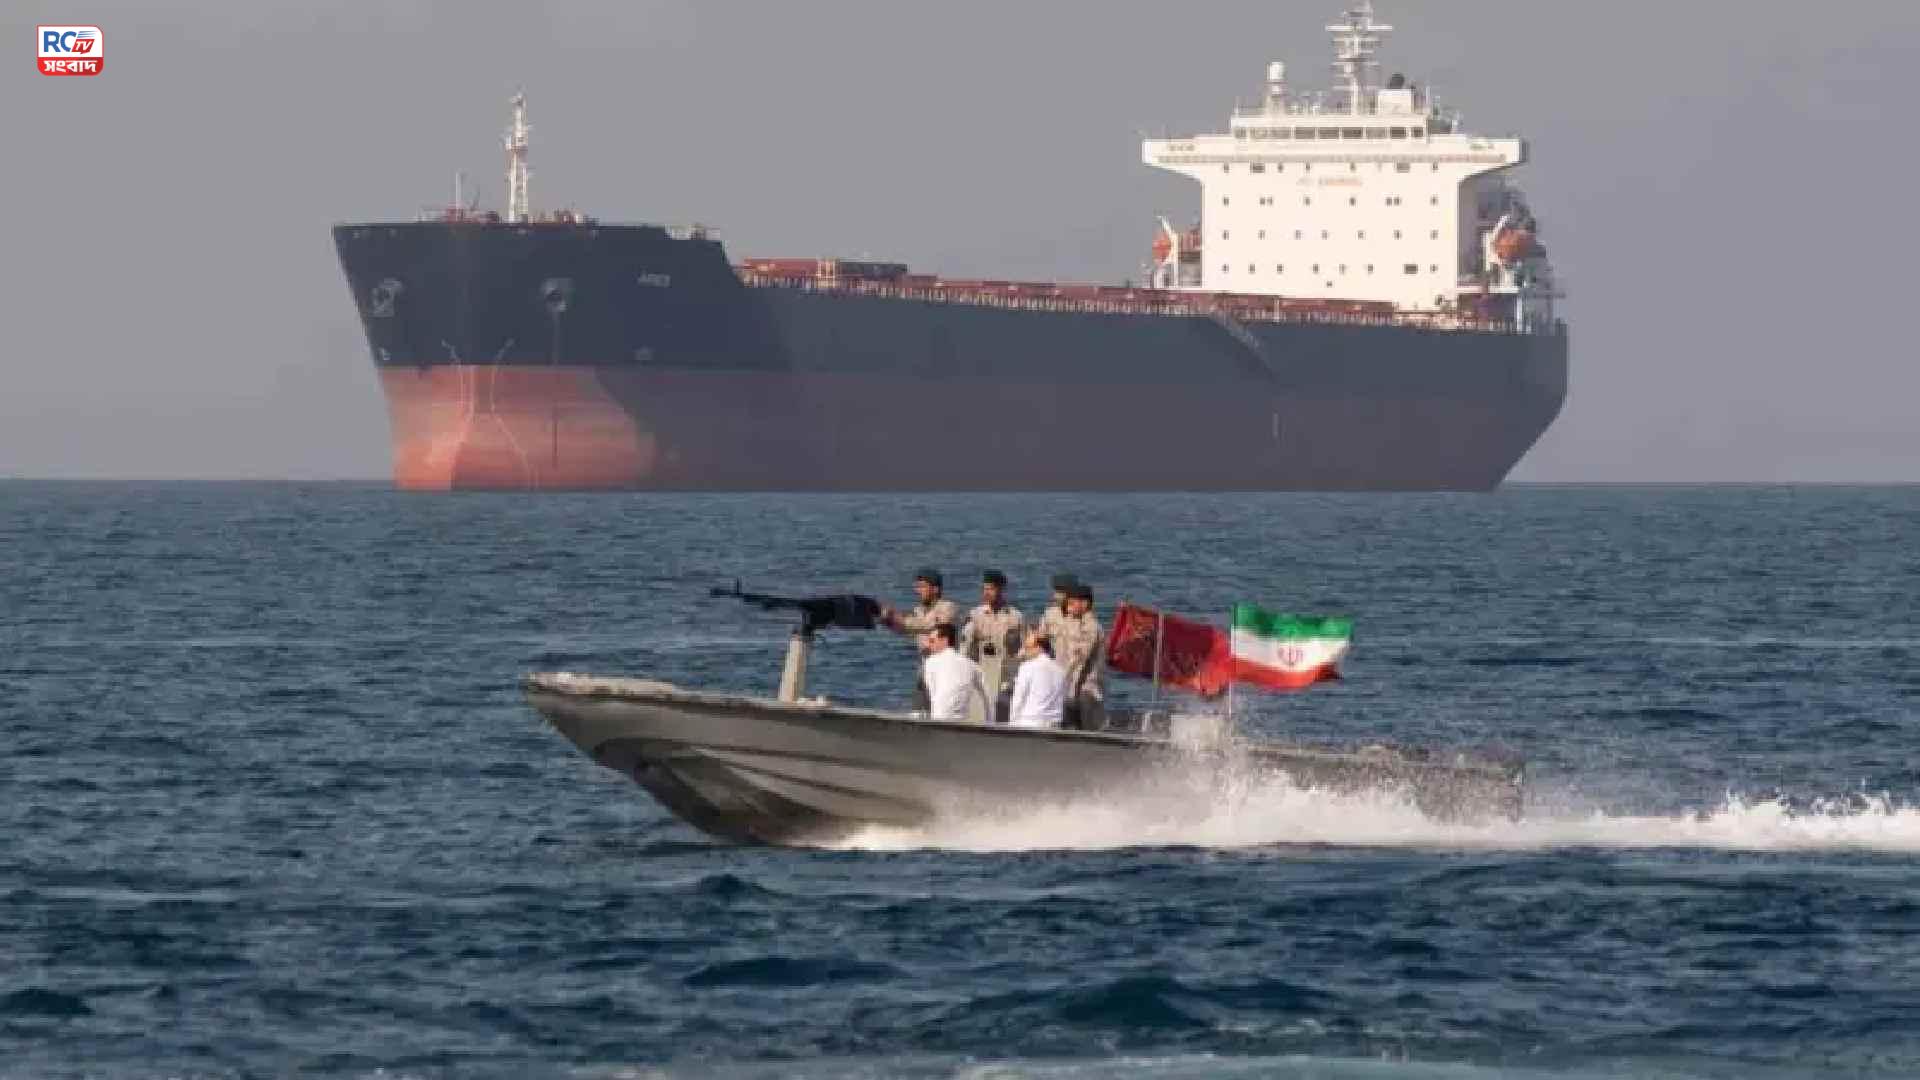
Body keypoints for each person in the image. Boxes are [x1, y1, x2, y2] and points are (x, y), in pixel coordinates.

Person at [882, 568, 959, 712]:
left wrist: (900, 619)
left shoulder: (948, 608)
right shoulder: (918, 611)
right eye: (917, 587)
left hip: (944, 672)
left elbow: (930, 626)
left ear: (935, 589)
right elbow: (906, 629)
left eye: (922, 587)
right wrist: (887, 621)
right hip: (925, 671)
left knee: (942, 712)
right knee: (917, 713)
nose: (918, 591)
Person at [960, 570, 1025, 723]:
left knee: (1004, 717)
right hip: (983, 671)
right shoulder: (976, 615)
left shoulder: (1015, 617)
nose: (987, 593)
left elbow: (1024, 647)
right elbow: (965, 647)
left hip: (1006, 675)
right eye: (985, 589)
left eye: (991, 589)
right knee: (980, 715)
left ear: (1001, 589)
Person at [1055, 582, 1106, 731]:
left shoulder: (1090, 627)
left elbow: (1080, 661)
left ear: (1085, 604)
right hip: (1066, 686)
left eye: (1072, 603)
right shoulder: (1068, 623)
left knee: (1083, 726)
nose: (1068, 607)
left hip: (1084, 688)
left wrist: (1067, 690)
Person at [920, 623, 990, 723]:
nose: (929, 645)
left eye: (932, 641)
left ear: (944, 640)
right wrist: (989, 721)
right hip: (962, 722)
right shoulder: (972, 665)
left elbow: (933, 695)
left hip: (940, 720)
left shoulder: (931, 662)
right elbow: (987, 695)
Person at [1007, 629, 1067, 730]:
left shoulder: (1027, 667)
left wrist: (1011, 724)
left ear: (1039, 648)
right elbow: (1062, 698)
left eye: (1027, 647)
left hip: (1030, 724)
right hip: (1054, 726)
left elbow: (1018, 698)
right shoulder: (1060, 670)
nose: (1024, 651)